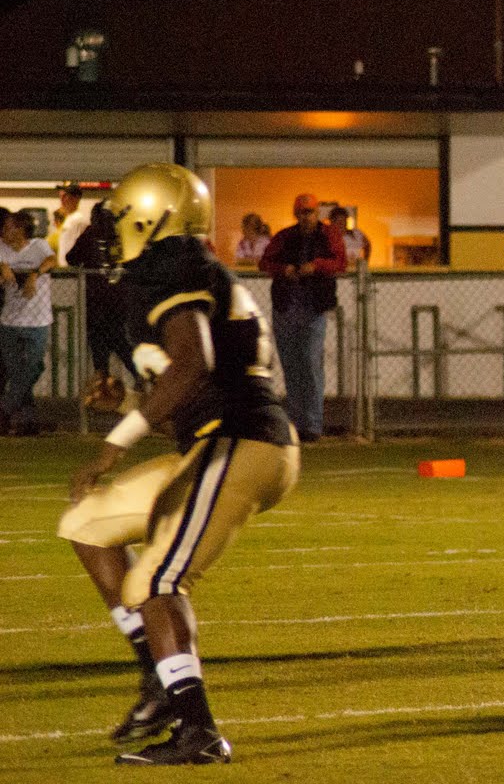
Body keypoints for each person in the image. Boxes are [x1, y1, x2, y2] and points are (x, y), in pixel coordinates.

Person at [57, 162, 300, 764]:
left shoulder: (179, 262)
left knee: (157, 580)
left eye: (119, 217)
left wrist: (117, 440)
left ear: (152, 214)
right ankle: (160, 680)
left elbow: (193, 364)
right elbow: (187, 390)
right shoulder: (166, 274)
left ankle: (199, 732)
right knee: (88, 524)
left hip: (244, 441)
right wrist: (136, 398)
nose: (111, 232)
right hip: (219, 439)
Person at [259, 193, 347, 441]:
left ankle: (312, 424)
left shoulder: (328, 235)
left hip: (312, 308)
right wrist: (284, 269)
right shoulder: (285, 236)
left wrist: (315, 266)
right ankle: (298, 423)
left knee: (309, 365)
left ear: (316, 212)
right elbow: (265, 262)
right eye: (301, 212)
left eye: (308, 212)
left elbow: (340, 262)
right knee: (292, 367)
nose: (305, 217)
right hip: (287, 307)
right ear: (296, 214)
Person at [67, 201, 137, 413]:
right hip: (120, 304)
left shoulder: (90, 234)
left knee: (100, 353)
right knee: (123, 346)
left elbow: (71, 258)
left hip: (96, 305)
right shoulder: (123, 237)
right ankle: (136, 385)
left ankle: (103, 399)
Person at [0, 210, 56, 434]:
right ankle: (27, 422)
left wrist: (34, 274)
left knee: (33, 367)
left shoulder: (39, 245)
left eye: (9, 227)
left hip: (38, 320)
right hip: (10, 320)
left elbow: (52, 260)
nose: (4, 231)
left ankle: (4, 410)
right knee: (17, 372)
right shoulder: (1, 248)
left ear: (20, 229)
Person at [53, 181, 91, 265]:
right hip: (65, 270)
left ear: (76, 198)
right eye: (61, 196)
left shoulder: (79, 220)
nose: (62, 199)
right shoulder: (68, 219)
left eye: (65, 196)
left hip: (72, 271)